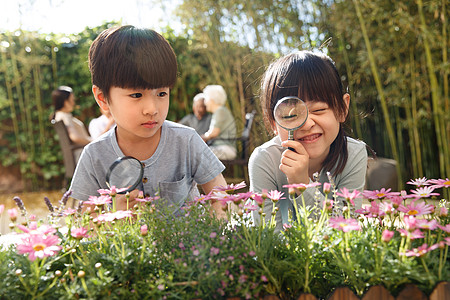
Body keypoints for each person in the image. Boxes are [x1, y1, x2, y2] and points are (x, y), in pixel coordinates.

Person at [69, 25, 227, 218]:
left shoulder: (185, 140)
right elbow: (86, 224)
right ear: (102, 98)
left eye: (161, 93)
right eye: (136, 95)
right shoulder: (95, 156)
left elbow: (220, 196)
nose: (152, 109)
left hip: (190, 247)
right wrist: (115, 217)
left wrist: (215, 239)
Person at [249, 50, 368, 231]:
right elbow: (268, 237)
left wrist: (302, 185)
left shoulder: (354, 153)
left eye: (319, 110)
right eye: (292, 115)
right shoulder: (265, 160)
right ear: (273, 122)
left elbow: (346, 233)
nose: (307, 124)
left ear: (343, 108)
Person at [51, 86, 92, 161]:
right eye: (72, 100)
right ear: (66, 102)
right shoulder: (64, 116)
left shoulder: (59, 116)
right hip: (83, 154)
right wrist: (92, 141)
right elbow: (74, 137)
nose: (74, 103)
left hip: (81, 153)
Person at [201, 85, 237, 160]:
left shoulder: (220, 111)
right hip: (221, 148)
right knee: (199, 153)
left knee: (198, 153)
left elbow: (214, 132)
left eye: (206, 99)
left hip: (225, 149)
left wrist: (201, 137)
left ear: (212, 99)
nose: (205, 103)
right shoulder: (220, 111)